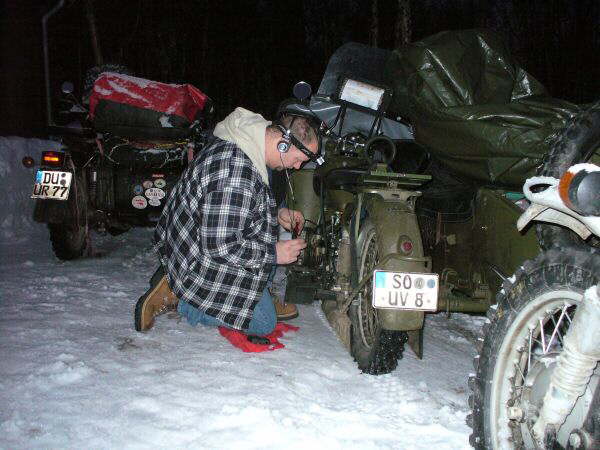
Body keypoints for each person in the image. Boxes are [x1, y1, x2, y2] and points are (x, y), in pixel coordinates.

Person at [134, 107, 321, 337]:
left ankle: (254, 293)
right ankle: (180, 298)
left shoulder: (250, 140)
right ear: (283, 144)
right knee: (263, 323)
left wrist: (277, 214)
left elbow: (239, 208)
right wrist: (273, 254)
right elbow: (220, 246)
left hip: (198, 240)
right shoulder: (235, 172)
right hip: (197, 258)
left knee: (271, 252)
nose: (296, 167)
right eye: (298, 159)